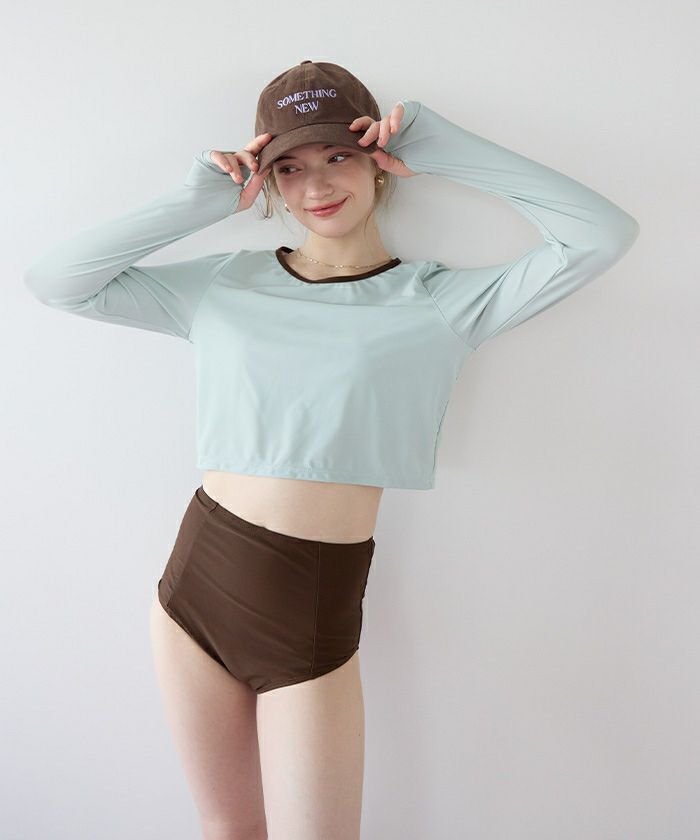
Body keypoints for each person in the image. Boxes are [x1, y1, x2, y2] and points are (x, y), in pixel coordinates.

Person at [22, 59, 640, 840]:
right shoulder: (222, 285)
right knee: (227, 831)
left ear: (378, 162)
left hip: (311, 609)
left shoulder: (439, 301)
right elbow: (57, 281)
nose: (315, 185)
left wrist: (446, 148)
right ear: (268, 183)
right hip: (194, 590)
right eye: (289, 167)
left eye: (338, 156)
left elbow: (602, 235)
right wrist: (199, 199)